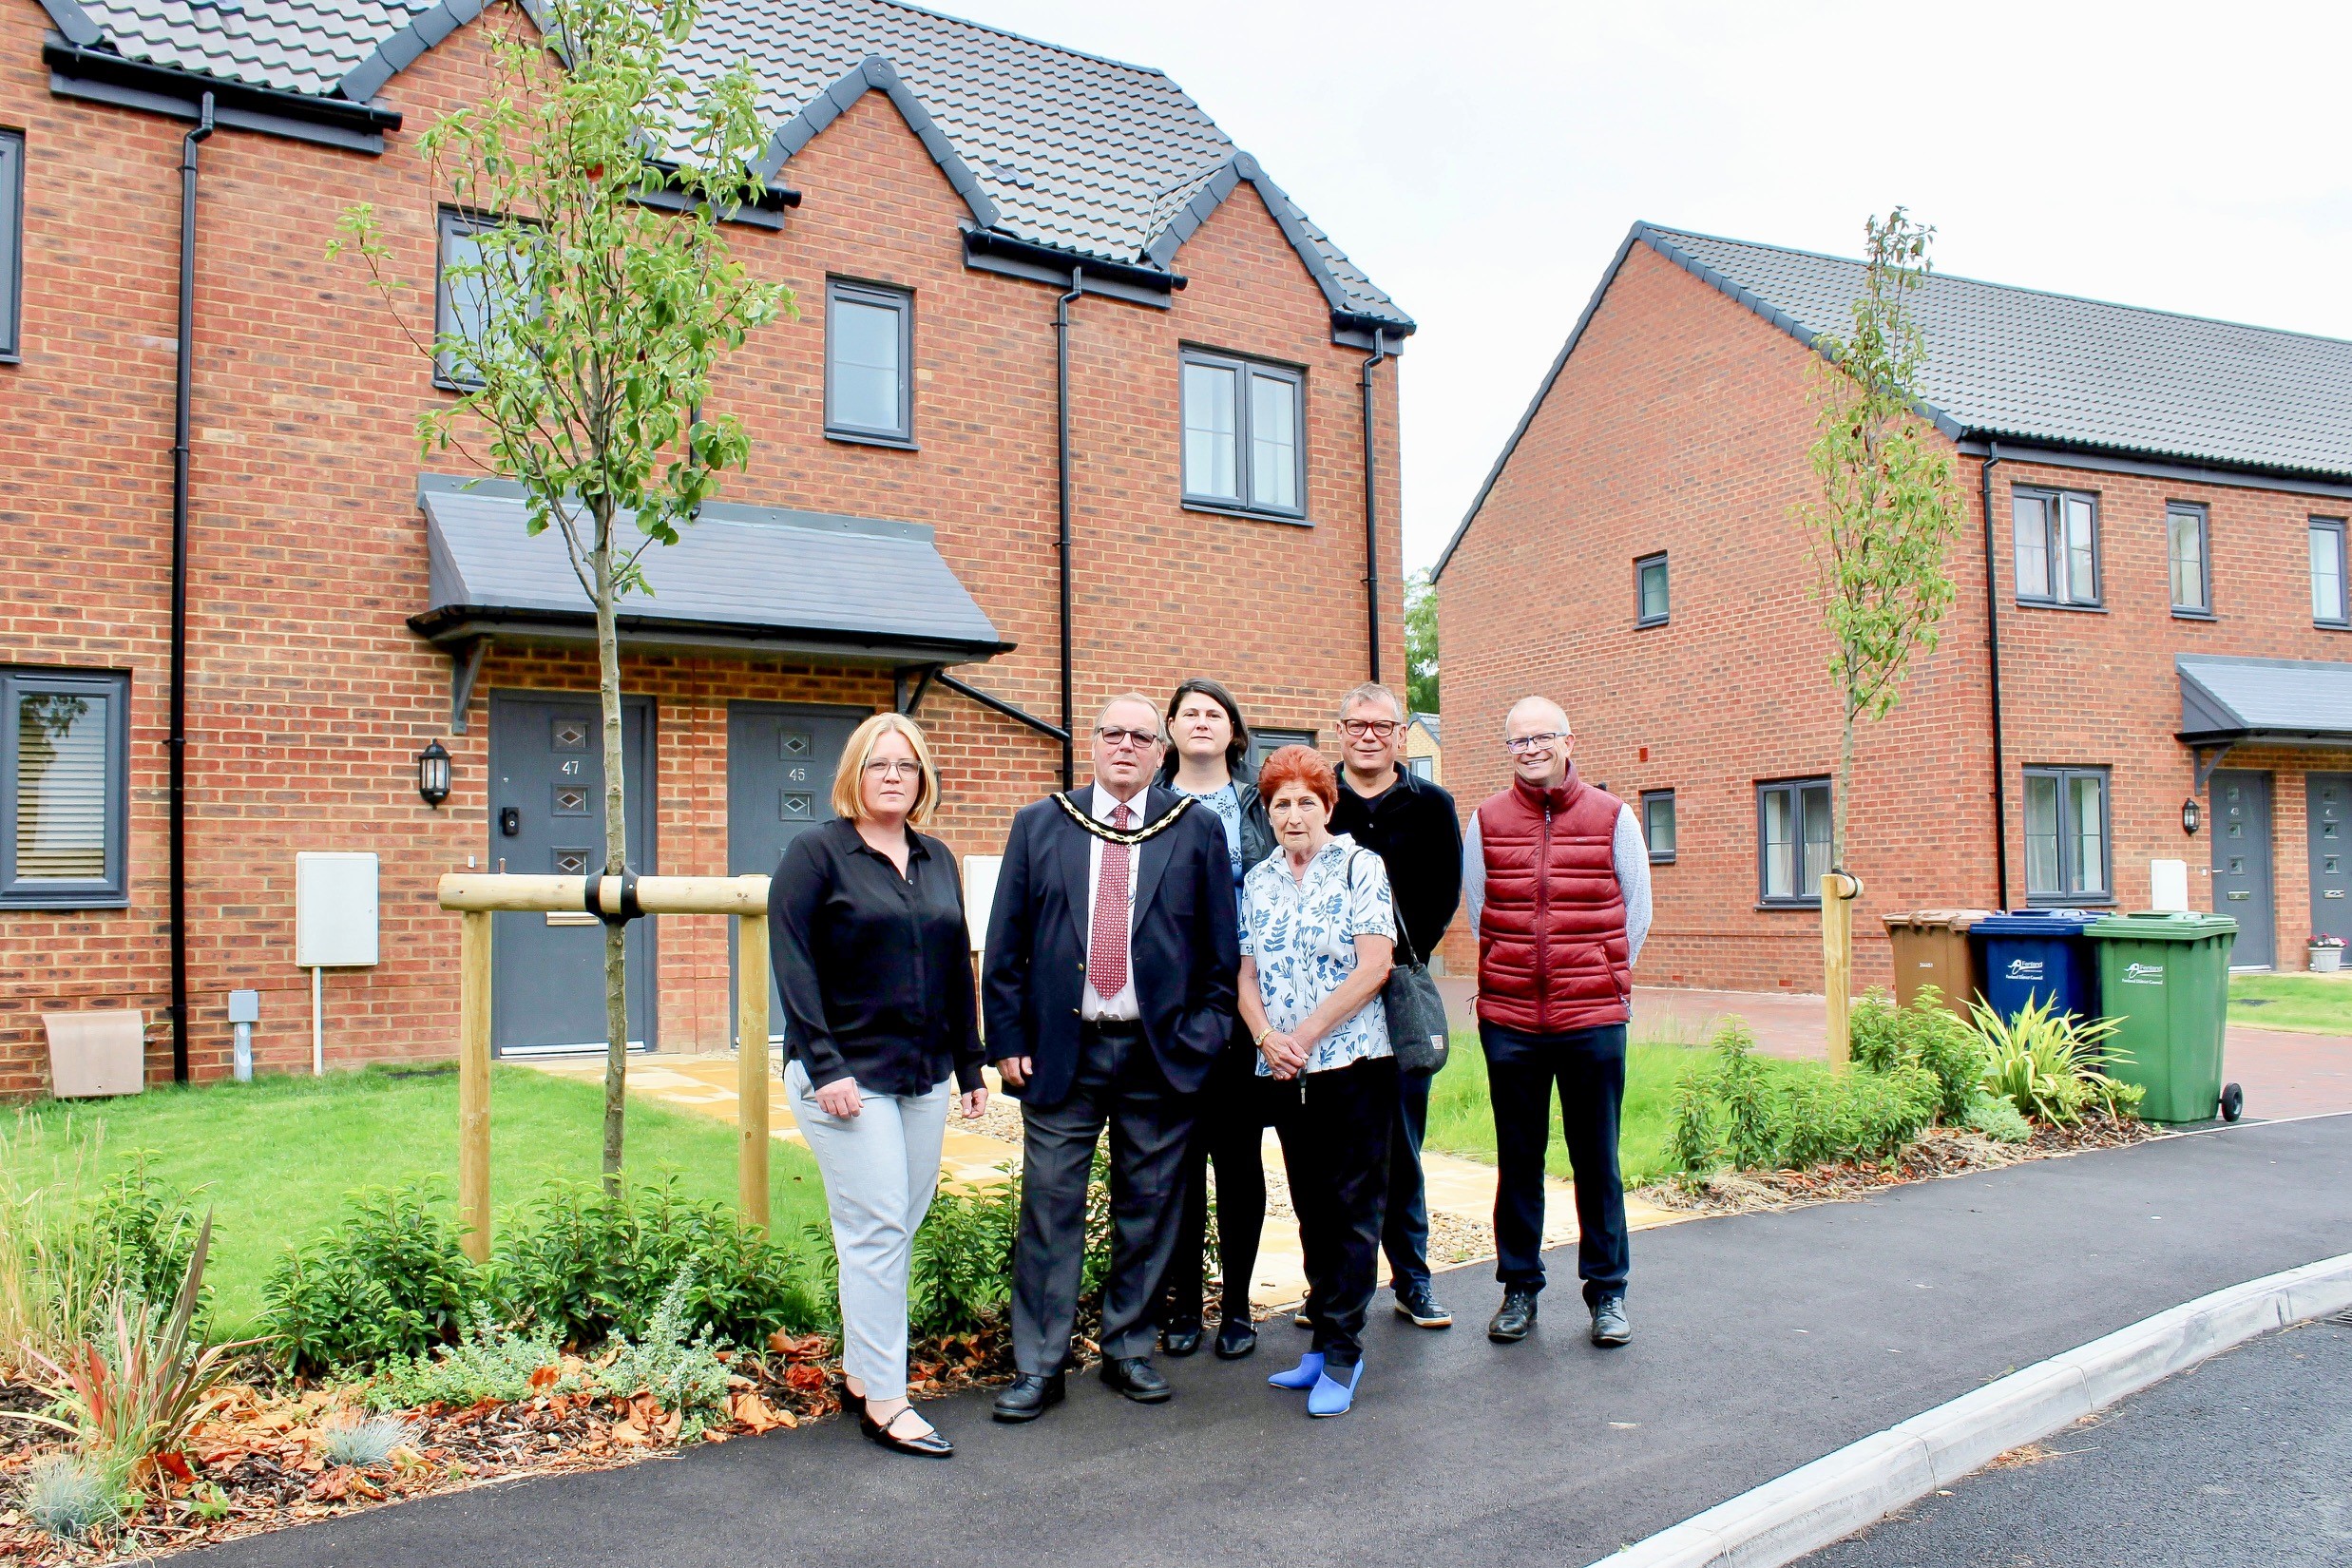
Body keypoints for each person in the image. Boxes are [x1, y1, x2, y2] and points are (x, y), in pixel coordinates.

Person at [983, 695, 1239, 1422]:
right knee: (1049, 1208)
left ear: (1158, 753)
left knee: (1148, 1207)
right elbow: (1005, 946)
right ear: (1091, 745)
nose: (1126, 746)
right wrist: (1005, 1039)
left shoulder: (1193, 830)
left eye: (1139, 737)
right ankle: (1040, 1365)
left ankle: (1128, 1348)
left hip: (1158, 1055)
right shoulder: (1042, 824)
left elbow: (1220, 954)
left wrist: (1204, 1036)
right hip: (1062, 1053)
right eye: (1112, 735)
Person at [768, 713, 988, 1459]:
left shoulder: (934, 857)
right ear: (853, 775)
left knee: (895, 1223)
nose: (893, 776)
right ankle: (887, 1400)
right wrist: (825, 1066)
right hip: (847, 1081)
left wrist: (969, 1064)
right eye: (878, 764)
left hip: (922, 1075)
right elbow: (793, 966)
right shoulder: (816, 855)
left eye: (906, 765)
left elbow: (957, 964)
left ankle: (862, 1375)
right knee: (877, 1229)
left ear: (921, 778)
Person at [1463, 696, 1651, 1348]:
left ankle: (1607, 1294)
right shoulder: (1485, 820)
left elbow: (1638, 910)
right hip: (1510, 1019)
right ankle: (1518, 1289)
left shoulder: (1612, 816)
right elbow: (1479, 911)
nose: (1531, 749)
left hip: (1591, 1018)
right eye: (1518, 741)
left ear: (1568, 741)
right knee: (1517, 1160)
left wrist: (1601, 972)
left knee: (1596, 1159)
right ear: (1508, 749)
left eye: (1542, 737)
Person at [1239, 745, 1397, 1419]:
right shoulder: (1258, 880)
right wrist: (1265, 1037)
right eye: (1281, 804)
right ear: (1267, 815)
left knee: (1352, 1212)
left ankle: (1342, 1349)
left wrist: (1303, 1034)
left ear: (1327, 807)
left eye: (1307, 801)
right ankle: (1318, 1339)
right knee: (1309, 1208)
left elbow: (1374, 967)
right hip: (1282, 1070)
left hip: (1354, 1065)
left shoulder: (1361, 866)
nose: (1294, 814)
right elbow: (1244, 975)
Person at [1326, 681, 1463, 1332]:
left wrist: (1390, 963)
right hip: (1327, 1001)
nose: (1369, 735)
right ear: (1341, 731)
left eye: (1382, 725)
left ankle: (1412, 1280)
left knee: (1402, 1148)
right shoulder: (1318, 799)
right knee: (1332, 1153)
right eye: (1357, 724)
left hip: (1399, 994)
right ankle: (1329, 1291)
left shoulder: (1432, 806)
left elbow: (1441, 896)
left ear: (1399, 734)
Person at [1153, 678, 1280, 1361]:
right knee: (1175, 1162)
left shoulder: (1259, 801)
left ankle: (1235, 1307)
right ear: (1169, 728)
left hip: (1246, 1004)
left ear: (1234, 732)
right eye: (1188, 713)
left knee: (1236, 1159)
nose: (1201, 723)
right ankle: (1179, 1305)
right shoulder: (1147, 804)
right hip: (1170, 1007)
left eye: (1214, 714)